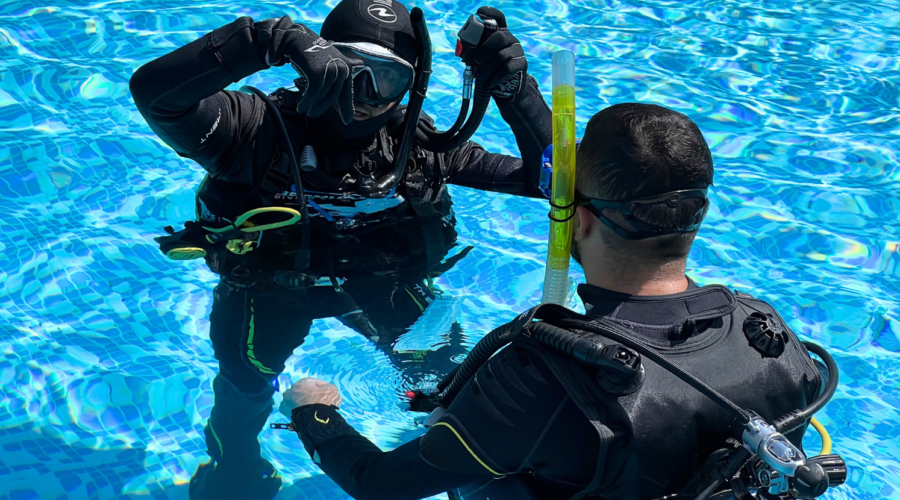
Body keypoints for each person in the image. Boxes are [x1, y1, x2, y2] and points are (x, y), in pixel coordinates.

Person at [280, 103, 831, 500]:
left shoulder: (545, 378)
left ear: (580, 219)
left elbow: (382, 485)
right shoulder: (769, 336)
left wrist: (314, 414)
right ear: (698, 216)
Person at [128, 1, 551, 498]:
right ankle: (236, 461)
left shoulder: (422, 146)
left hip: (384, 281)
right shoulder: (251, 131)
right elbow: (156, 95)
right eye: (350, 72)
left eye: (386, 78)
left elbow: (556, 181)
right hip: (269, 285)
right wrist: (270, 41)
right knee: (245, 385)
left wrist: (516, 93)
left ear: (411, 87)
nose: (364, 96)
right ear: (314, 64)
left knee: (449, 381)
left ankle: (460, 469)